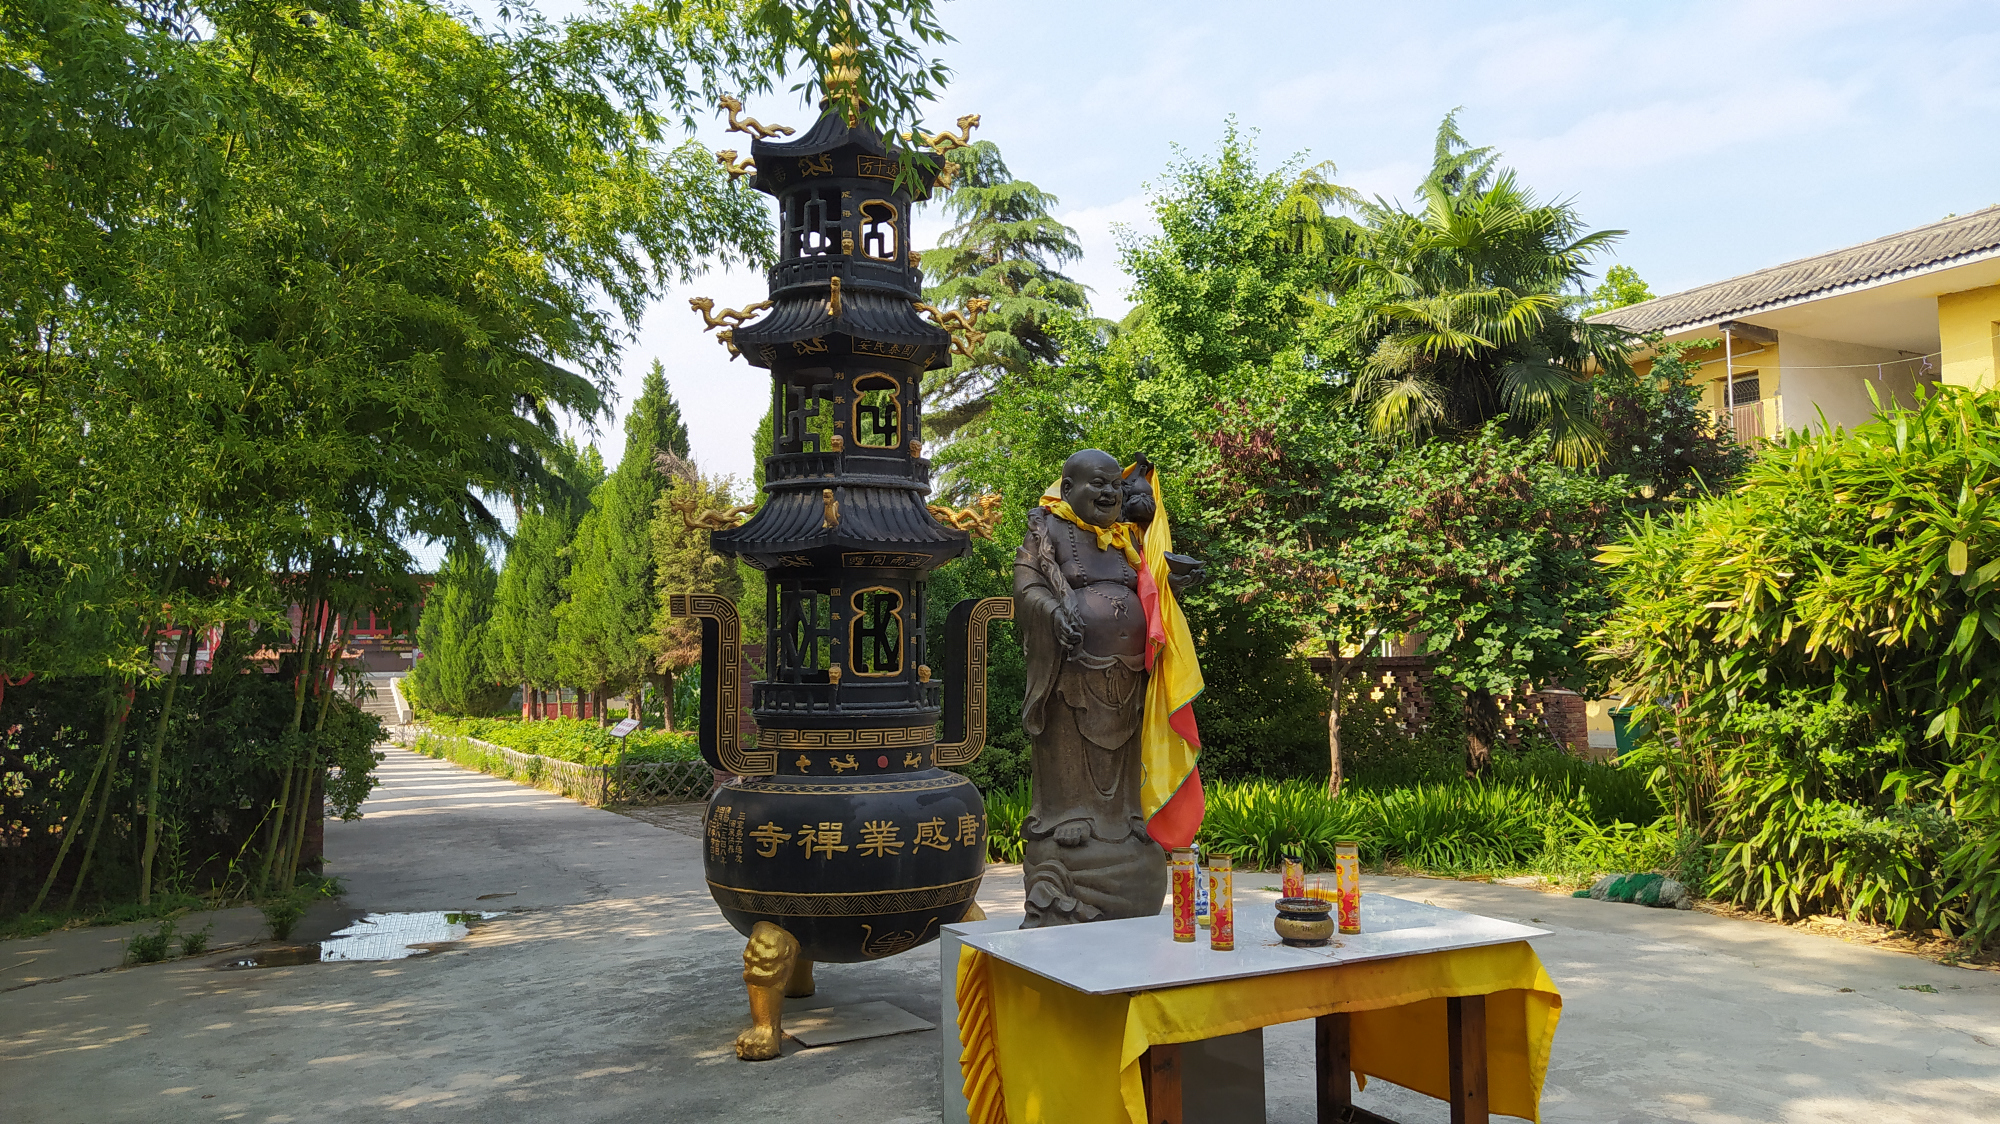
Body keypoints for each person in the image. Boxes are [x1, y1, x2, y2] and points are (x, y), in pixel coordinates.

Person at [1013, 449, 1184, 926]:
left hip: (1129, 674)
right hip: (1070, 674)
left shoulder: (1127, 539)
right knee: (1069, 748)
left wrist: (1177, 582)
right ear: (1067, 490)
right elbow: (1026, 584)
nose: (1109, 492)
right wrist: (1053, 612)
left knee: (1125, 760)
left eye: (1114, 483)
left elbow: (1152, 590)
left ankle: (1126, 822)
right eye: (1097, 483)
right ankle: (1070, 820)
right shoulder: (1047, 530)